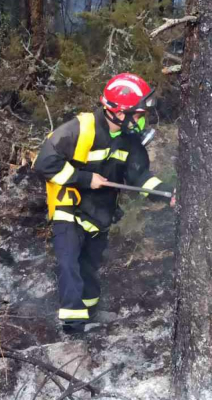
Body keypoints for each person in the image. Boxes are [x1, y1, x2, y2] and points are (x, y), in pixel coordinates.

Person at [32, 73, 175, 335]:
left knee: (89, 264)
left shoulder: (129, 141)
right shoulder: (80, 129)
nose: (141, 119)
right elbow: (43, 163)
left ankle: (90, 313)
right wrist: (85, 178)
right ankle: (73, 330)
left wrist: (168, 193)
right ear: (118, 112)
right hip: (69, 207)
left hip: (100, 212)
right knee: (69, 264)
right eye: (137, 113)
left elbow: (140, 178)